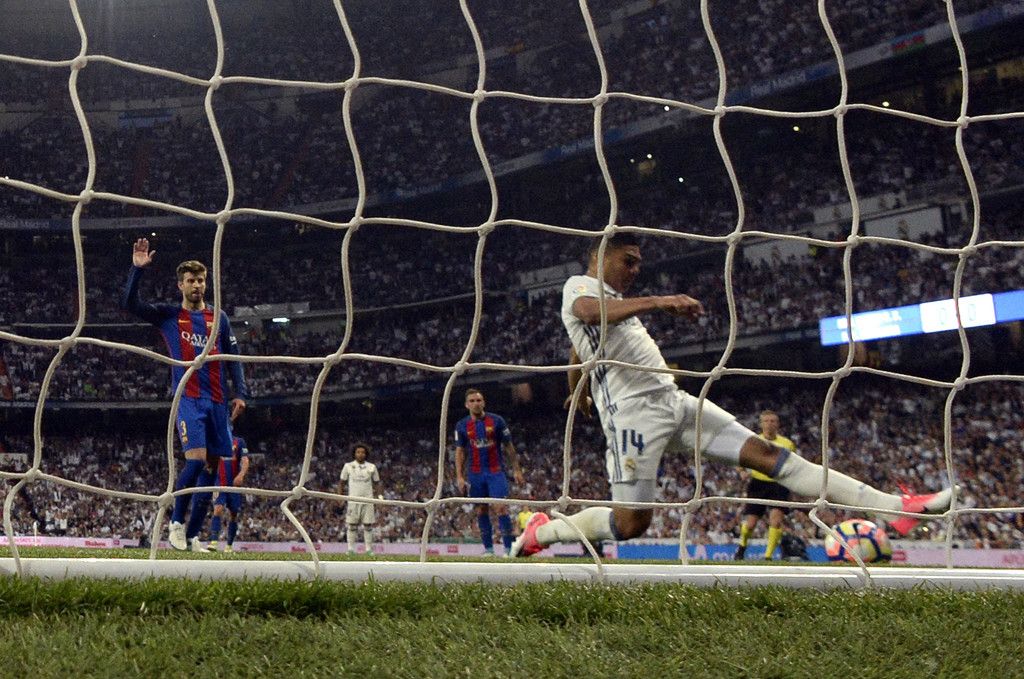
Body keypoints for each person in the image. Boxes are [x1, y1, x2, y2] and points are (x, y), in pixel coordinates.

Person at [512, 233, 955, 557]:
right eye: (628, 261)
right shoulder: (579, 286)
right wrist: (661, 300)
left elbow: (580, 343)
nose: (634, 270)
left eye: (638, 264)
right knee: (630, 525)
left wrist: (577, 387)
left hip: (674, 403)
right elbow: (587, 314)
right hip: (632, 418)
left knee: (770, 456)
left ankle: (896, 509)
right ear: (599, 257)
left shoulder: (610, 300)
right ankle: (541, 532)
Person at [120, 238, 248, 551]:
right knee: (195, 461)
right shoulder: (169, 316)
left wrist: (241, 393)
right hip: (189, 400)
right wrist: (137, 270)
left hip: (217, 402)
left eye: (201, 280)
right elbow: (130, 304)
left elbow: (233, 356)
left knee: (211, 471)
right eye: (191, 280)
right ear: (181, 285)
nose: (197, 285)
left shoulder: (219, 318)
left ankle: (191, 536)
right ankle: (176, 523)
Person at [454, 388, 525, 555]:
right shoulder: (462, 425)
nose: (476, 404)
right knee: (481, 510)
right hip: (475, 474)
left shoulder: (497, 421)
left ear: (483, 402)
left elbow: (508, 446)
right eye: (472, 401)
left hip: (495, 472)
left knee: (501, 508)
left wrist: (516, 469)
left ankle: (509, 549)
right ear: (466, 405)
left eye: (478, 400)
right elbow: (460, 451)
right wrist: (459, 477)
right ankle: (488, 550)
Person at [734, 410, 797, 561]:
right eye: (766, 421)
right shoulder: (753, 441)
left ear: (778, 424)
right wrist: (741, 471)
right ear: (761, 424)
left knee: (776, 520)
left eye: (773, 421)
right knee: (750, 523)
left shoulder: (787, 444)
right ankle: (742, 546)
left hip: (779, 484)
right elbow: (738, 459)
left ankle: (768, 557)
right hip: (758, 484)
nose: (769, 424)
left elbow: (793, 464)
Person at [204, 433, 251, 553]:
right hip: (219, 483)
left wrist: (241, 475)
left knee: (233, 514)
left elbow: (245, 460)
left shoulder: (239, 442)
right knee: (217, 509)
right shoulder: (216, 440)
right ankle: (214, 541)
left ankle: (229, 545)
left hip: (234, 484)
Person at [339, 443, 380, 555]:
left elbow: (377, 483)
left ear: (366, 454)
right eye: (358, 452)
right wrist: (340, 497)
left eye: (363, 452)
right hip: (353, 500)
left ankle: (368, 550)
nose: (360, 454)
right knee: (352, 525)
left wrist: (379, 496)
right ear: (354, 454)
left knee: (368, 525)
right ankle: (350, 549)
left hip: (368, 500)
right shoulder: (348, 466)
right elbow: (342, 482)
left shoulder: (371, 467)